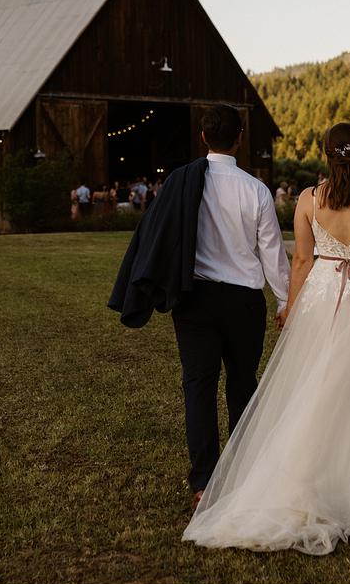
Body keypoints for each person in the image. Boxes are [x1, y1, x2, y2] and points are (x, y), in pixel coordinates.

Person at [183, 121, 350, 555]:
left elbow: (300, 259)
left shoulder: (308, 199)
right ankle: (348, 487)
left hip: (320, 295)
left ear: (326, 155)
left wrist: (290, 308)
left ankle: (313, 478)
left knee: (314, 388)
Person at [109, 105, 289, 522]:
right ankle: (245, 474)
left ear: (204, 138)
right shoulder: (256, 190)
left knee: (198, 387)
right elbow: (271, 253)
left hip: (194, 300)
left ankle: (204, 482)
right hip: (244, 301)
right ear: (240, 138)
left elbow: (159, 233)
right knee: (243, 384)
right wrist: (284, 299)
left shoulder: (180, 182)